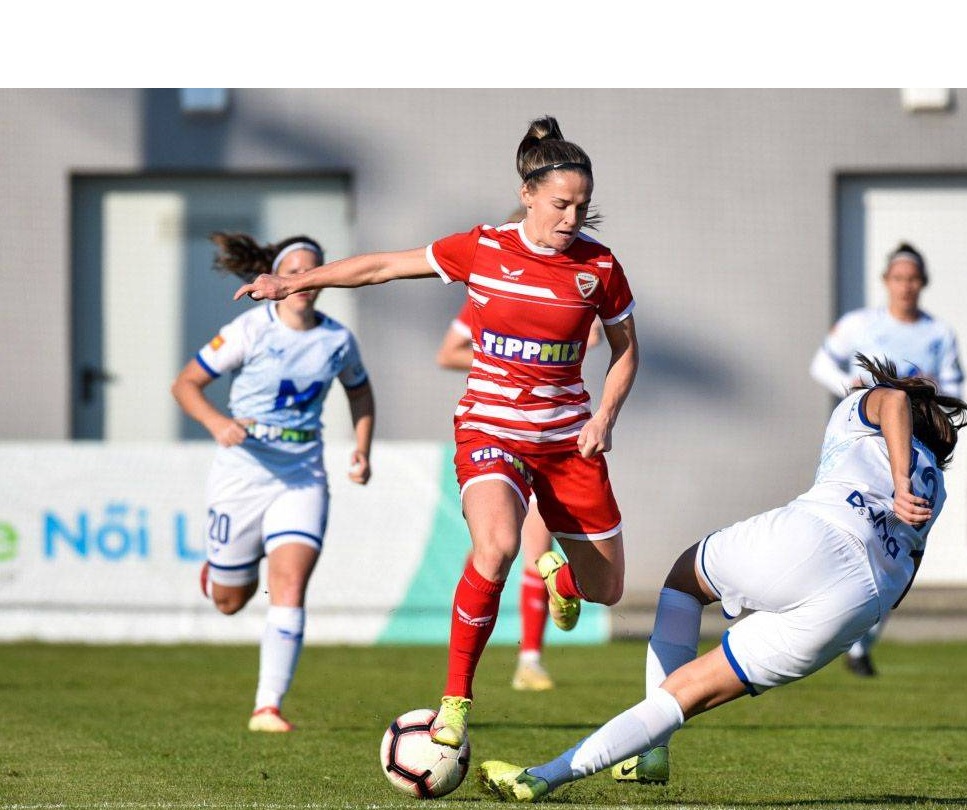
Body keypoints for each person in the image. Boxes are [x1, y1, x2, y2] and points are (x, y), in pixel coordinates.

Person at [233, 115, 639, 748]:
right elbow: (382, 267)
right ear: (528, 194)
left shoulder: (600, 267)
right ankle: (454, 703)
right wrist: (295, 281)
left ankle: (559, 578)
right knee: (495, 549)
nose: (571, 218)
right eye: (561, 204)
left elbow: (626, 350)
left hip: (567, 440)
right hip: (490, 428)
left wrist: (604, 416)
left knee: (605, 590)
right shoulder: (484, 248)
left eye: (582, 207)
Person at [476, 355, 967, 801]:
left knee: (684, 579)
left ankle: (643, 751)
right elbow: (906, 577)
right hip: (858, 604)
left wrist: (898, 481)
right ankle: (545, 777)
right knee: (684, 695)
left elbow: (892, 401)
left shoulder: (865, 412)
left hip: (815, 535)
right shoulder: (938, 489)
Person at [171, 232, 375, 733]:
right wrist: (218, 423)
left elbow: (360, 391)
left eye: (311, 271)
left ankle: (267, 706)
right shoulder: (249, 329)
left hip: (301, 475)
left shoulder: (337, 340)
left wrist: (362, 448)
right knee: (229, 602)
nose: (302, 280)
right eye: (293, 270)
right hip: (242, 473)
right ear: (277, 277)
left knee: (290, 584)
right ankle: (223, 569)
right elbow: (185, 384)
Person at [809, 241, 964, 676]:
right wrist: (853, 387)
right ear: (886, 282)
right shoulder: (860, 324)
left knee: (897, 546)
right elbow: (821, 364)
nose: (905, 286)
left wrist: (931, 396)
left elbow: (955, 389)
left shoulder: (939, 334)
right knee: (849, 528)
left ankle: (861, 644)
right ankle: (825, 619)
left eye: (912, 279)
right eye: (898, 278)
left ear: (922, 283)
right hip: (864, 446)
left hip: (912, 453)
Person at [436, 294, 604, 692]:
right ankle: (477, 677)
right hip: (499, 434)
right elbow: (448, 353)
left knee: (538, 549)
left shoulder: (564, 290)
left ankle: (530, 659)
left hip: (552, 436)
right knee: (498, 550)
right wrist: (508, 366)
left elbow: (603, 335)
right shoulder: (490, 294)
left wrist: (579, 335)